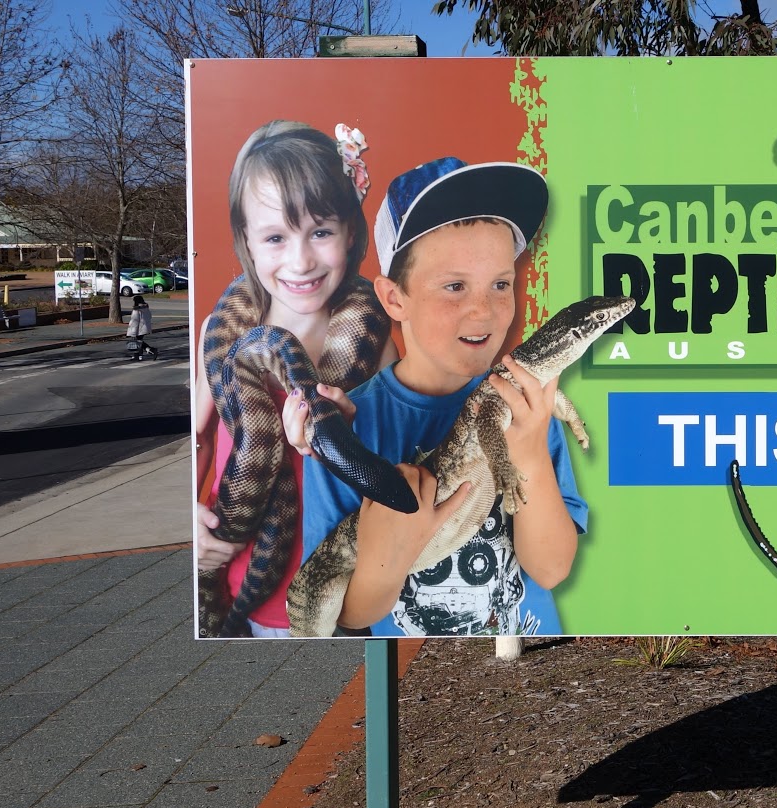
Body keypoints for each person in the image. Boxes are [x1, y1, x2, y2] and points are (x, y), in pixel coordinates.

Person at [294, 157, 584, 638]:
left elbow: (551, 570)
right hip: (418, 674)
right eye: (454, 286)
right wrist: (389, 559)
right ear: (393, 299)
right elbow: (347, 613)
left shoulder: (527, 408)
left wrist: (530, 451)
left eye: (501, 283)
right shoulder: (342, 431)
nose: (484, 310)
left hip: (534, 663)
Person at [193, 120, 396, 639]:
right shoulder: (216, 340)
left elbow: (396, 476)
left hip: (350, 601)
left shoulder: (377, 348)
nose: (301, 260)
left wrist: (352, 432)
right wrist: (187, 522)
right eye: (276, 237)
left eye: (320, 231)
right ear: (247, 241)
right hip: (252, 600)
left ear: (351, 232)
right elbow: (193, 444)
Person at [125, 293, 157, 359]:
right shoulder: (145, 308)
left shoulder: (136, 310)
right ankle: (139, 355)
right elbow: (149, 316)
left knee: (138, 342)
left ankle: (151, 350)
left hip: (138, 329)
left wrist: (133, 333)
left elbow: (135, 321)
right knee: (139, 341)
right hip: (145, 328)